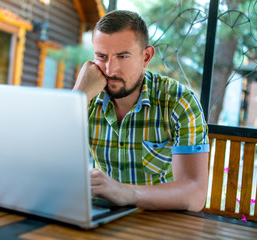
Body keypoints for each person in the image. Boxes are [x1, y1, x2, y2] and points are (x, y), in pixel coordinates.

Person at [73, 10, 209, 211]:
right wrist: (79, 96)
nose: (110, 70)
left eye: (122, 56)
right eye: (102, 56)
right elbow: (42, 157)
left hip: (160, 220)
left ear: (146, 57)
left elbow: (196, 194)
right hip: (103, 217)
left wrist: (126, 193)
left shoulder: (179, 101)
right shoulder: (89, 95)